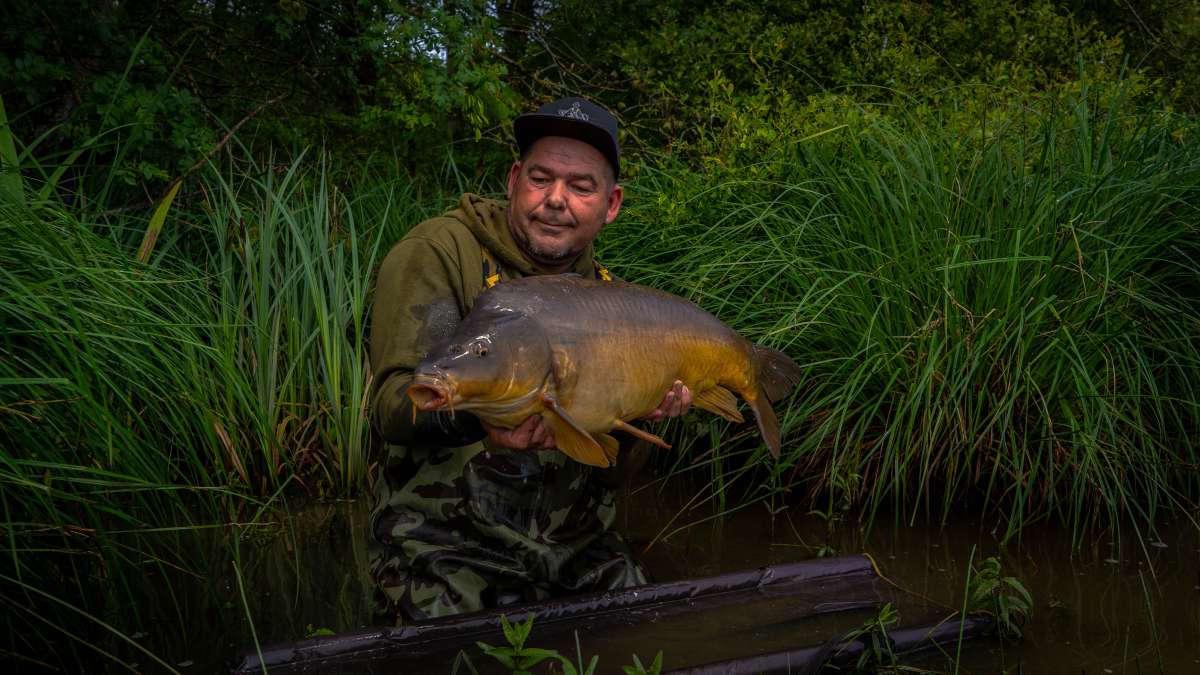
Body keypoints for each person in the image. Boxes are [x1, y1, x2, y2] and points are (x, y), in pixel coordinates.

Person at [368, 96, 692, 622]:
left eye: (581, 187)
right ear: (515, 179)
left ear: (611, 205)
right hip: (446, 545)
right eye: (541, 178)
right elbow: (392, 405)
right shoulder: (441, 252)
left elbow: (611, 473)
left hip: (575, 548)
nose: (556, 199)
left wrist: (645, 417)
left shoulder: (612, 300)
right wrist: (482, 416)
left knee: (647, 632)